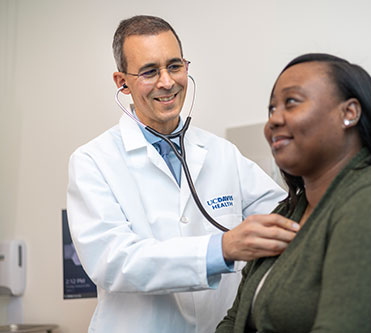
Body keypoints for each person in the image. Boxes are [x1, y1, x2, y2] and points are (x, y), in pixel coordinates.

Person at [66, 15, 299, 333]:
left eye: (175, 66)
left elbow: (284, 215)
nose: (166, 82)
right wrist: (222, 248)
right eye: (149, 71)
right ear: (122, 81)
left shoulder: (221, 153)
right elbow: (113, 261)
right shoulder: (93, 161)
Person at [216, 53, 371, 333]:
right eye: (271, 109)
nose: (273, 120)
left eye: (291, 102)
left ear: (349, 113)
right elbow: (235, 321)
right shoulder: (288, 212)